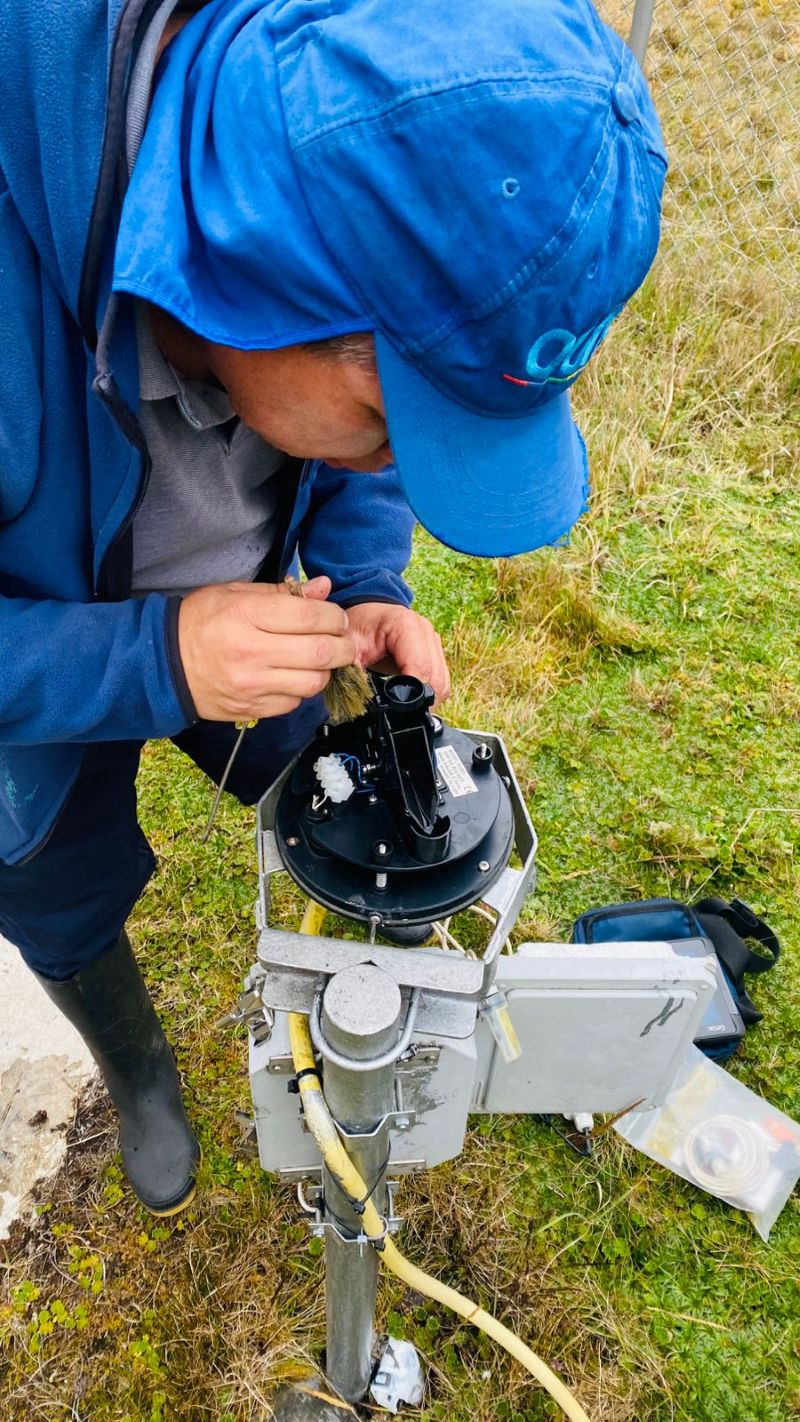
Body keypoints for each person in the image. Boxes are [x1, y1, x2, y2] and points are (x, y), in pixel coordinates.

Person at [0, 0, 666, 1215]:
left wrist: (363, 582)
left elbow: (363, 445)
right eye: (389, 420)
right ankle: (135, 1068)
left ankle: (364, 966)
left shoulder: (349, 95)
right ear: (247, 271)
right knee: (54, 875)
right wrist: (153, 657)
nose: (392, 458)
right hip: (30, 681)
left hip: (255, 614)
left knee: (332, 780)